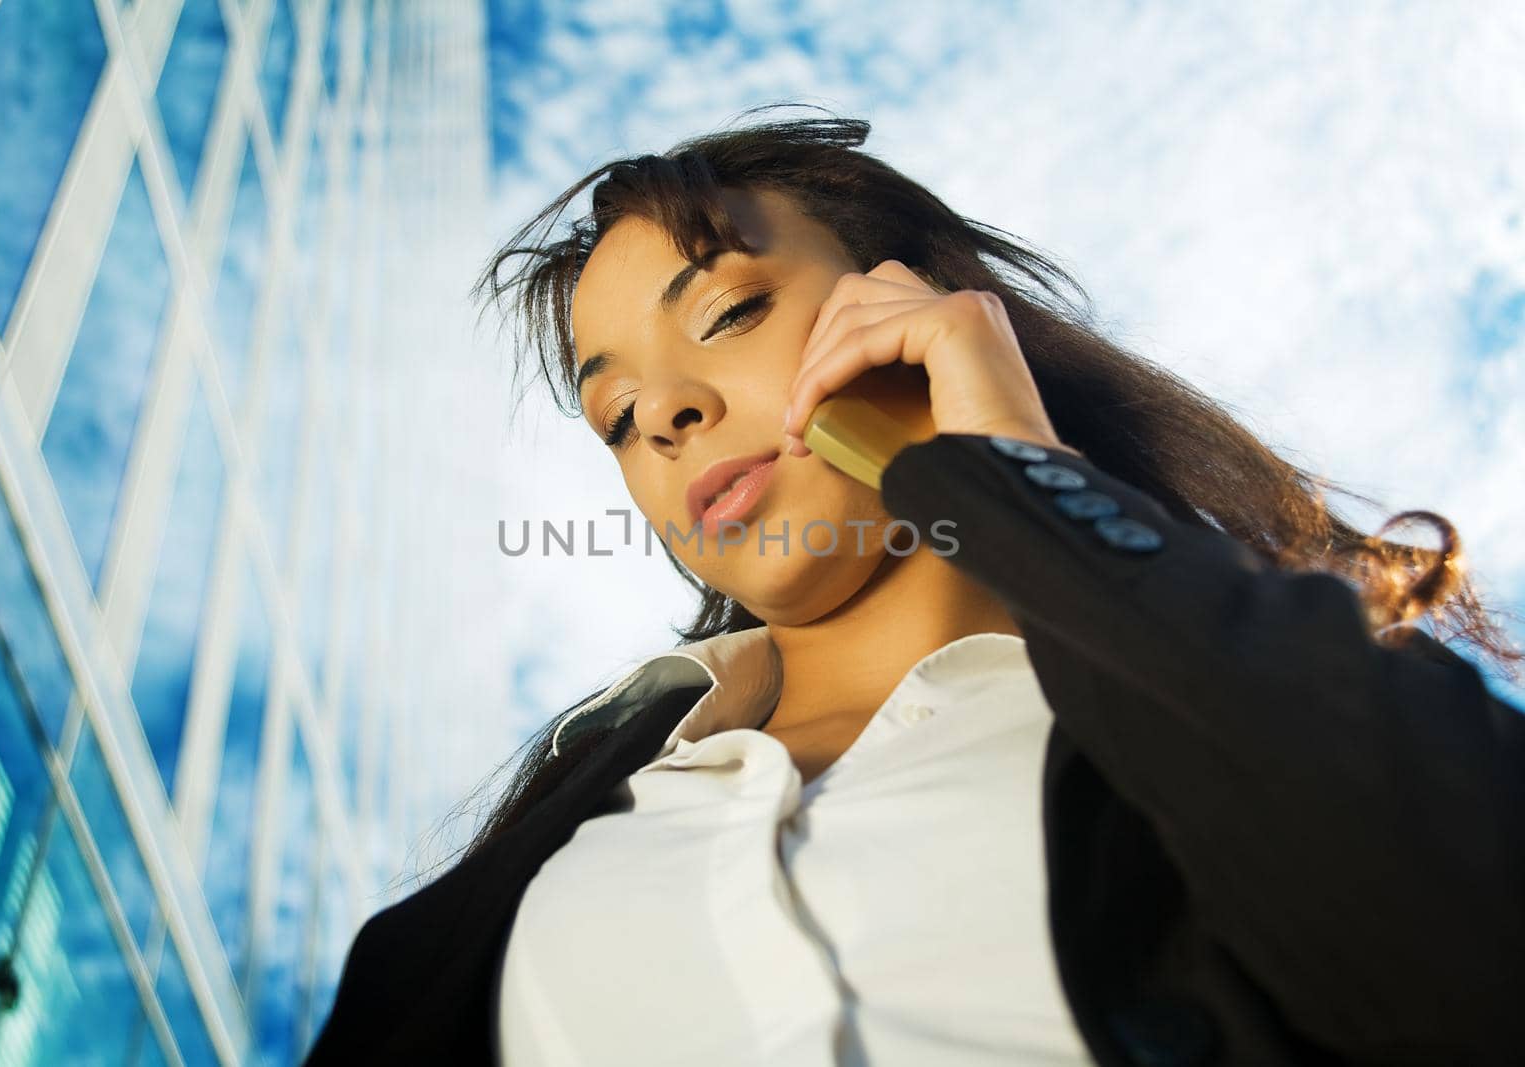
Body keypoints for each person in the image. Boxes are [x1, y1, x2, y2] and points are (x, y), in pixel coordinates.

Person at [303, 107, 1525, 1066]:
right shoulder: (553, 840)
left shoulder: (1221, 688)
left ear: (912, 308)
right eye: (616, 415)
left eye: (728, 310)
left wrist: (1010, 468)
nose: (666, 414)